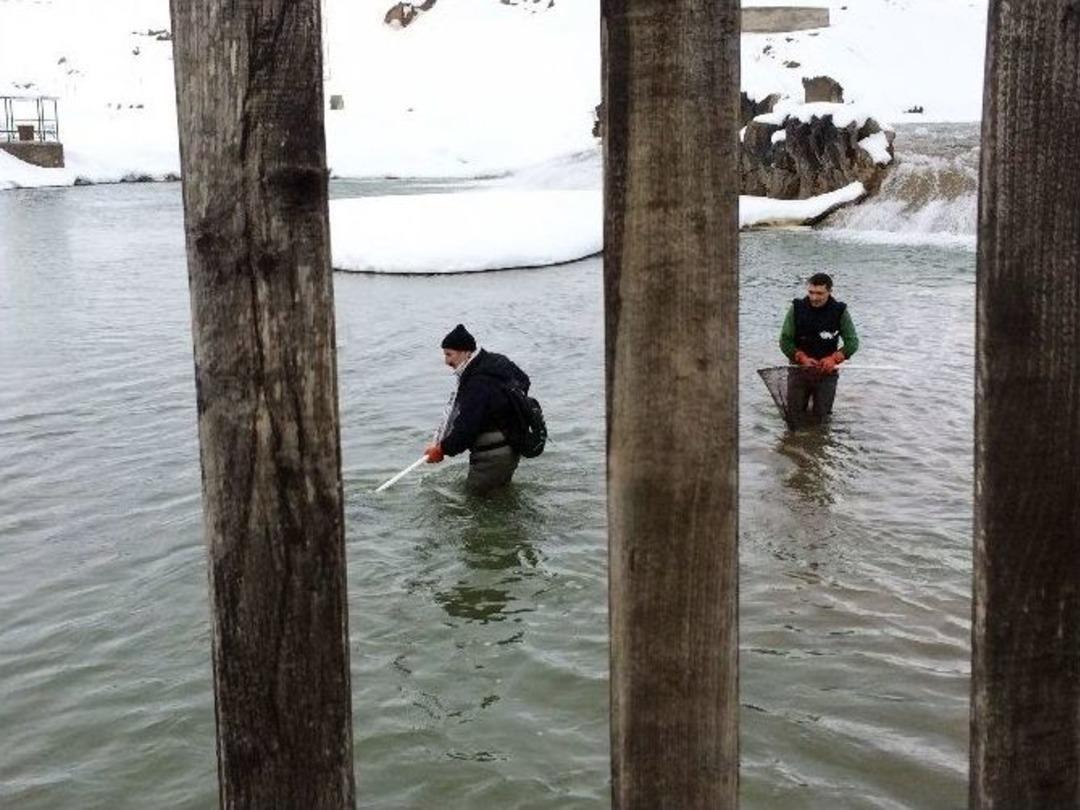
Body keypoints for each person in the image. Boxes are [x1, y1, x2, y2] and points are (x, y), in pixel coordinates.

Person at [424, 324, 532, 494]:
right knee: (501, 494)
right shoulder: (497, 361)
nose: (446, 361)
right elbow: (524, 381)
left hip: (491, 456)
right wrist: (502, 410)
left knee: (476, 501)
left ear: (466, 352)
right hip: (512, 446)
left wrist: (442, 449)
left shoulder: (476, 383)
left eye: (449, 354)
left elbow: (465, 430)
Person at [778, 272, 859, 424]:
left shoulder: (840, 311)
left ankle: (818, 443)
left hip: (827, 372)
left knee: (822, 419)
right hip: (799, 369)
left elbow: (852, 342)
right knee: (793, 418)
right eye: (811, 292)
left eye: (819, 293)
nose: (814, 297)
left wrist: (834, 358)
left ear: (830, 291)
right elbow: (785, 340)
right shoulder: (796, 308)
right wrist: (801, 357)